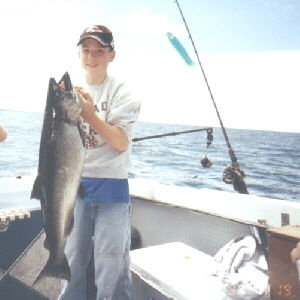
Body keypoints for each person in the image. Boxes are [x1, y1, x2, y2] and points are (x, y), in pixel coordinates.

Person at [58, 25, 140, 300]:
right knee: (70, 262)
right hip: (75, 187)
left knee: (111, 267)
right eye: (86, 50)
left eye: (99, 51)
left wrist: (90, 115)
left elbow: (120, 142)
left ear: (111, 55)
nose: (92, 57)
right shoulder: (70, 92)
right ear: (79, 54)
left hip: (112, 188)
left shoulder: (122, 92)